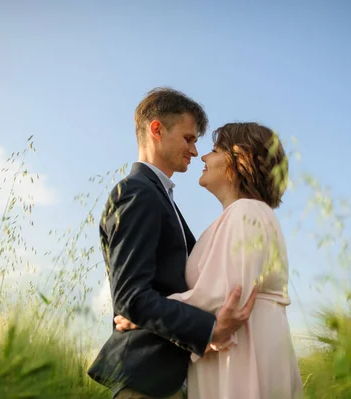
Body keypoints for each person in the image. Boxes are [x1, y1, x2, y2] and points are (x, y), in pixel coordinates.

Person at [87, 88, 258, 399]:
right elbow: (131, 298)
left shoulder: (161, 197)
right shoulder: (137, 193)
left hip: (171, 381)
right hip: (147, 382)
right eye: (189, 138)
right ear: (157, 129)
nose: (194, 151)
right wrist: (209, 328)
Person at [115, 122, 304, 399]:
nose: (202, 156)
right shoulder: (240, 215)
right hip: (236, 347)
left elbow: (224, 294)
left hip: (243, 354)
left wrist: (145, 315)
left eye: (215, 150)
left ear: (239, 158)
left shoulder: (246, 211)